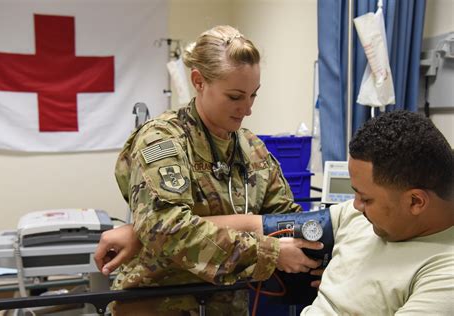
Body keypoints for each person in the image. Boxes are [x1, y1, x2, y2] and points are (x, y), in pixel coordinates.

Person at [94, 25, 323, 316]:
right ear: (199, 81)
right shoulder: (162, 140)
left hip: (226, 306)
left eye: (253, 95)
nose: (247, 108)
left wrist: (322, 247)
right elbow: (168, 228)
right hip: (158, 304)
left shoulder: (251, 148)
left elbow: (285, 217)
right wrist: (269, 251)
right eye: (235, 96)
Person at [301, 110, 454, 315]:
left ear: (415, 201)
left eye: (366, 199)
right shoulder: (362, 216)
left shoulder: (444, 273)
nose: (355, 205)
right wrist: (270, 248)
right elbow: (263, 225)